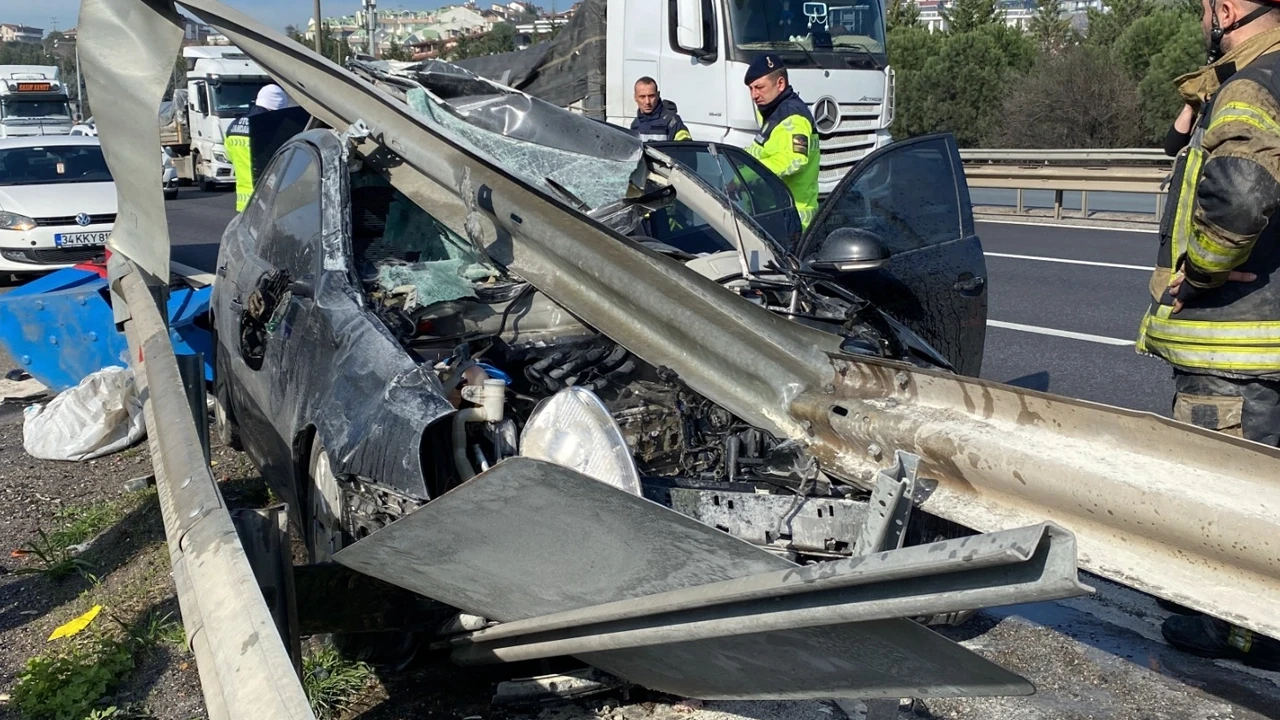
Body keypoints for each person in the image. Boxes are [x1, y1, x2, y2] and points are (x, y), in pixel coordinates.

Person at [1135, 0, 1280, 671]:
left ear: (1225, 10)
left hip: (1239, 340)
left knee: (1230, 485)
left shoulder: (1253, 85)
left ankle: (1238, 628)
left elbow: (1242, 194)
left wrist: (1201, 270)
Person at [742, 53, 820, 230]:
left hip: (791, 221)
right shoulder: (774, 113)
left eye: (760, 87)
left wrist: (744, 177)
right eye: (751, 89)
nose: (754, 95)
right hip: (775, 215)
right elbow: (762, 151)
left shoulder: (793, 117)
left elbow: (793, 161)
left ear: (780, 84)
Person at [226, 84, 294, 212]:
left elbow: (230, 157)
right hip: (266, 200)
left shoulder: (233, 126)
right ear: (277, 108)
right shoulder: (270, 129)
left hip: (244, 201)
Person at [630, 77, 692, 142]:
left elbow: (686, 149)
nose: (647, 102)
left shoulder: (672, 121)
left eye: (651, 96)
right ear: (635, 97)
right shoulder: (635, 124)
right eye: (642, 97)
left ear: (658, 95)